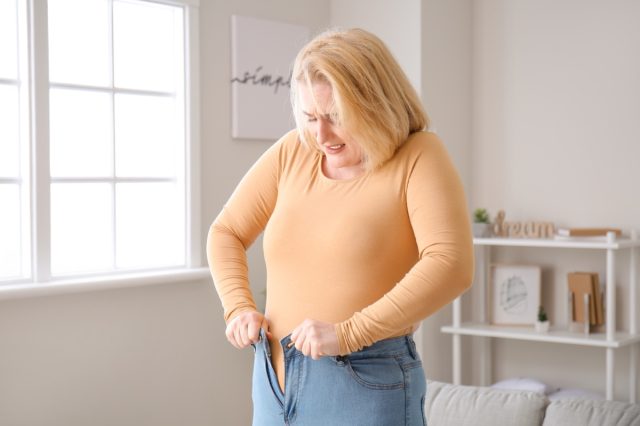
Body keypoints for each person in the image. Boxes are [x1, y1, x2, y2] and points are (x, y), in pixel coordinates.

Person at [207, 28, 474, 426]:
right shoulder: (291, 151)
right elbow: (225, 231)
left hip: (365, 378)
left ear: (376, 104)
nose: (321, 135)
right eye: (310, 117)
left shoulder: (419, 155)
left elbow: (451, 264)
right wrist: (238, 308)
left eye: (335, 118)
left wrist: (349, 333)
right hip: (274, 381)